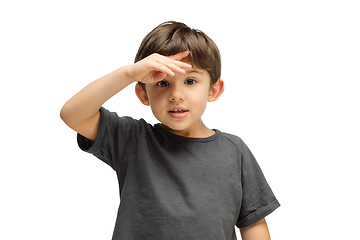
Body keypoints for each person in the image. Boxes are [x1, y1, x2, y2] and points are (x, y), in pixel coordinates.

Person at [60, 21, 280, 240]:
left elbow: (253, 223)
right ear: (143, 94)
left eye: (190, 81)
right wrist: (128, 74)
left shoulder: (235, 151)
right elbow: (73, 115)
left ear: (213, 90)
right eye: (163, 83)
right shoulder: (133, 139)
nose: (176, 94)